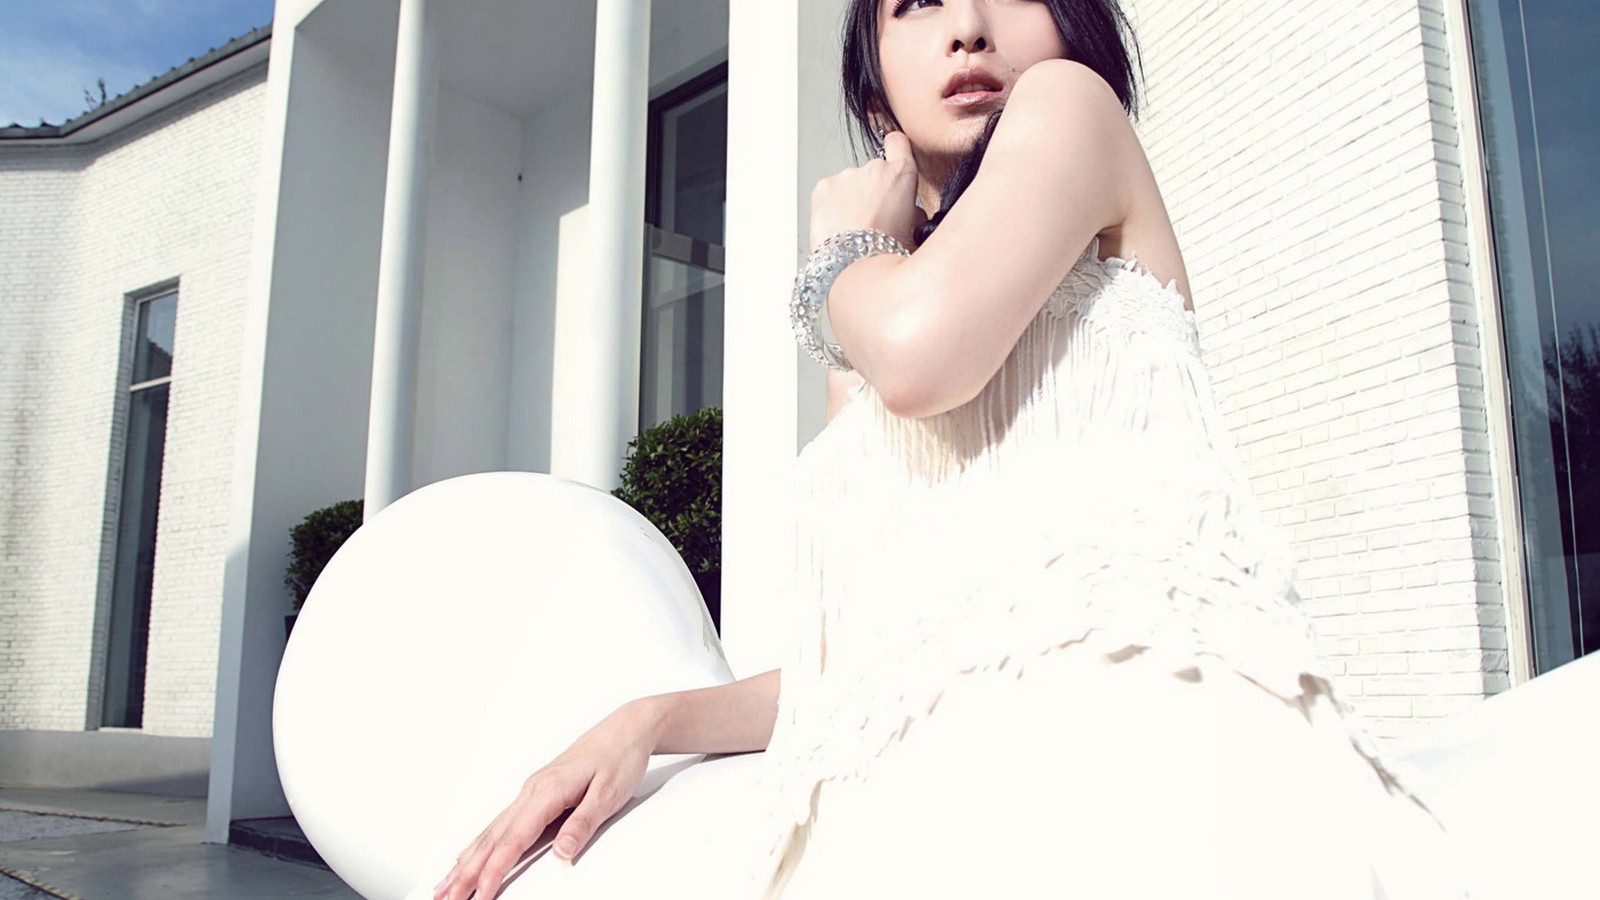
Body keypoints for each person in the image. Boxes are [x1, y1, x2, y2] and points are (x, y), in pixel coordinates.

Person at [433, 1, 1475, 898]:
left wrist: (837, 255)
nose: (969, 26)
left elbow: (924, 352)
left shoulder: (1069, 109)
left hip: (1131, 759)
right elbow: (867, 665)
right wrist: (653, 719)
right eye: (918, 0)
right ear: (874, 86)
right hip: (925, 804)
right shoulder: (870, 334)